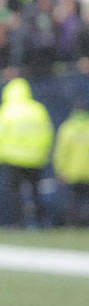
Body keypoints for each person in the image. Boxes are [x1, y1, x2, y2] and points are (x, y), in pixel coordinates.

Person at [0, 72, 54, 228]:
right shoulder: (38, 110)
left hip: (12, 159)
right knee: (35, 192)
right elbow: (47, 133)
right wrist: (44, 152)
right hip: (35, 158)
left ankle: (18, 222)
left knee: (15, 194)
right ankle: (41, 223)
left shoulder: (6, 110)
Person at [53, 95, 89, 226]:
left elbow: (61, 152)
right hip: (87, 172)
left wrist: (60, 170)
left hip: (72, 173)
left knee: (73, 202)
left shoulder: (67, 128)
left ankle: (74, 225)